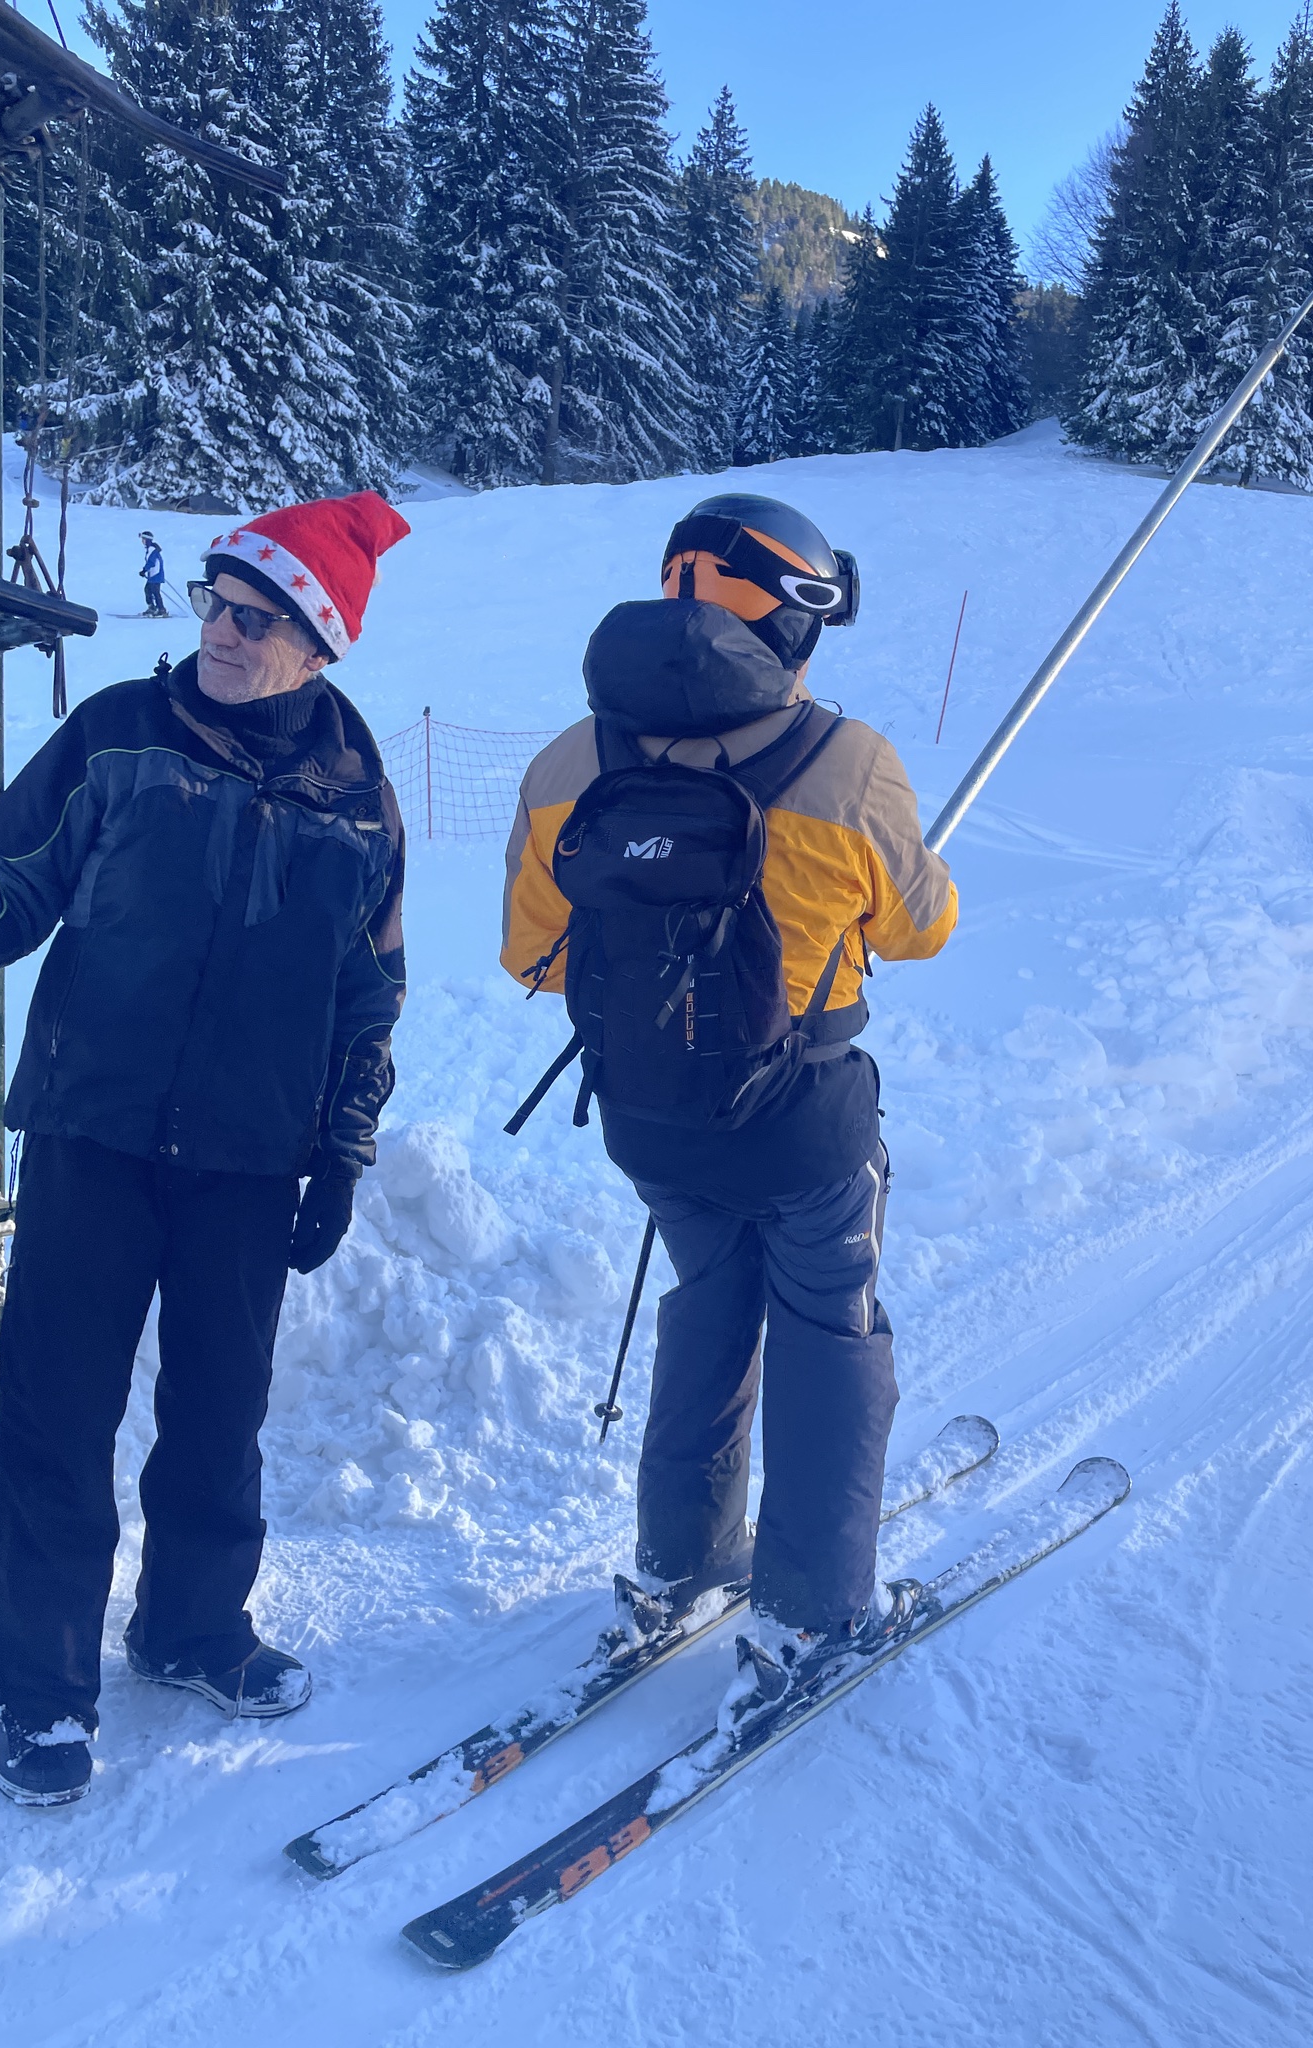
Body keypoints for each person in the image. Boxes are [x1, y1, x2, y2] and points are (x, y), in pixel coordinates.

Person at [0, 492, 410, 1807]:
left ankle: (191, 1628)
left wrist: (344, 1146)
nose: (222, 631)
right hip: (96, 1130)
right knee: (54, 1413)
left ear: (320, 645)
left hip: (253, 1161)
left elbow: (370, 994)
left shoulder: (359, 804)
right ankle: (32, 1690)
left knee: (220, 1415)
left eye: (257, 618)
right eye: (215, 602)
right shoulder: (118, 738)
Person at [502, 493, 957, 1719]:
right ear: (790, 618)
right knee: (827, 1331)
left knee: (710, 1305)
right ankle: (816, 1606)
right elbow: (923, 927)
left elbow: (528, 953)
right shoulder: (848, 760)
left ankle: (678, 1561)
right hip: (806, 1120)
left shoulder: (566, 765)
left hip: (652, 1123)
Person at [139, 530, 168, 617]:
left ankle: (161, 609)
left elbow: (151, 562)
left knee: (155, 592)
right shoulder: (151, 549)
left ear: (147, 540)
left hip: (156, 575)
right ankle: (152, 607)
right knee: (148, 590)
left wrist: (144, 570)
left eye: (143, 539)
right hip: (153, 575)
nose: (142, 541)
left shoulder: (152, 550)